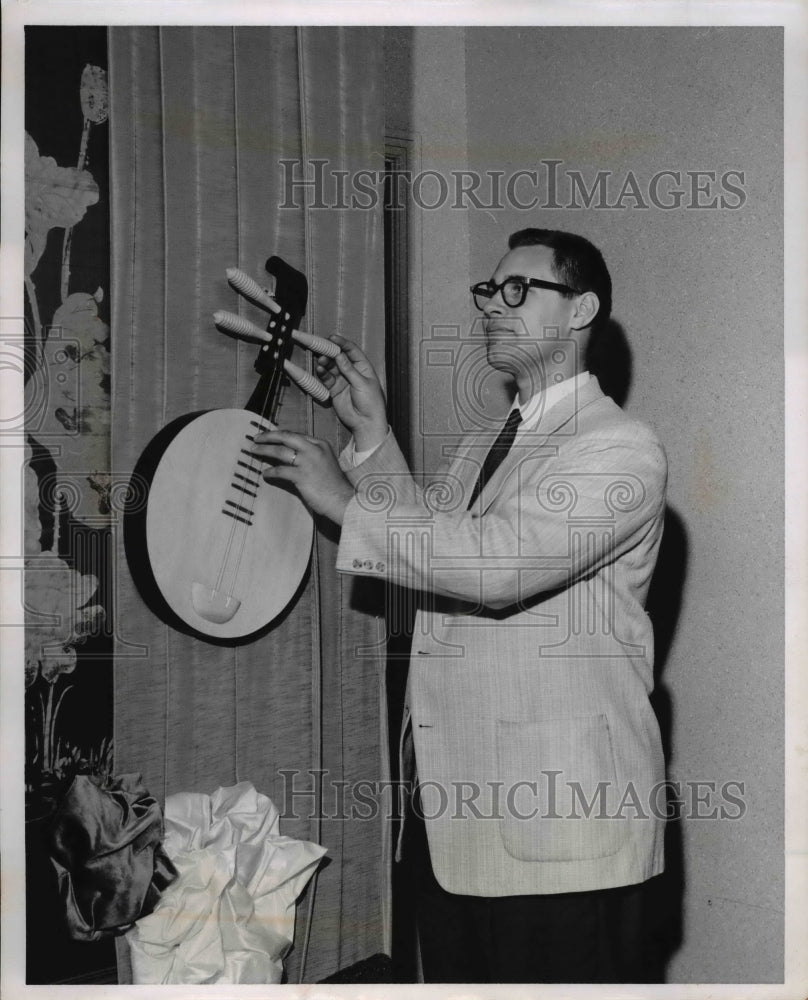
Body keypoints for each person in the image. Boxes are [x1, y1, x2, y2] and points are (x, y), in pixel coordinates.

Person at [253, 228, 668, 983]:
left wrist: (345, 503)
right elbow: (429, 556)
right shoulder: (483, 444)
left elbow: (496, 566)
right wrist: (372, 433)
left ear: (582, 311)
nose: (493, 306)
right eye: (489, 290)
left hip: (563, 838)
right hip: (460, 825)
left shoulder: (621, 448)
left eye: (519, 290)